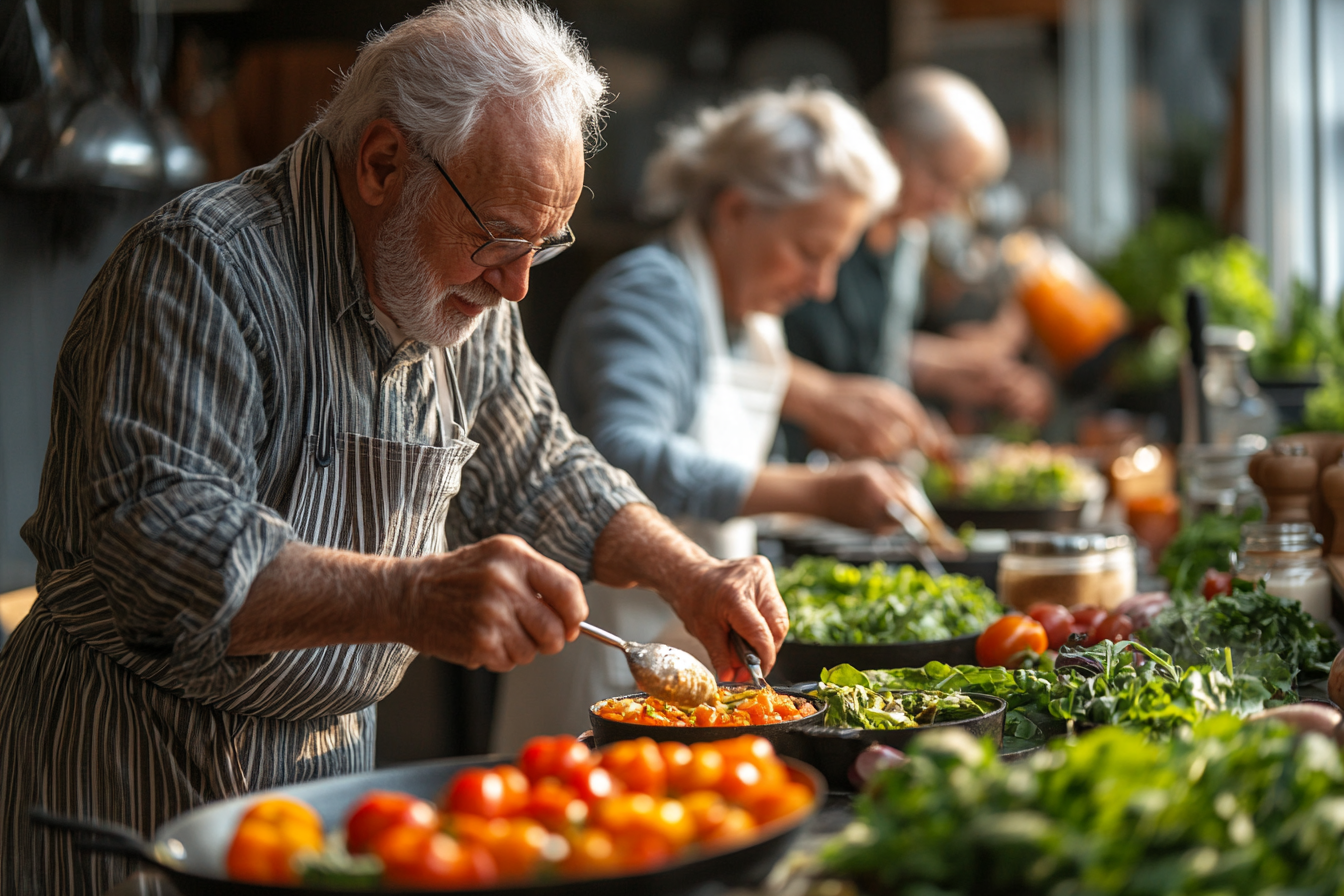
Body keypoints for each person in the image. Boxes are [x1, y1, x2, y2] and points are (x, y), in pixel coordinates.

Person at [0, 3, 789, 891]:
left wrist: (690, 574)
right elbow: (164, 547)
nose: (518, 284)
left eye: (543, 246)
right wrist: (410, 596)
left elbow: (541, 466)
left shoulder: (466, 299)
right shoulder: (202, 264)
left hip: (335, 787)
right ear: (382, 163)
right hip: (132, 776)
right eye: (499, 240)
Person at [492, 85, 950, 750]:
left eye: (834, 261)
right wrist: (817, 492)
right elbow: (625, 454)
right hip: (604, 660)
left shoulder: (747, 317)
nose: (820, 286)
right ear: (735, 210)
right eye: (808, 251)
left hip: (685, 654)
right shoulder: (651, 290)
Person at [784, 66, 1052, 428]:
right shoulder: (817, 229)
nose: (947, 203)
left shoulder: (909, 240)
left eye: (961, 190)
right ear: (892, 148)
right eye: (941, 179)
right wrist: (825, 400)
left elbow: (875, 353)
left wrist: (942, 376)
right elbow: (748, 350)